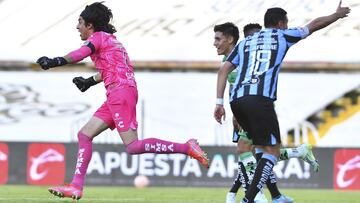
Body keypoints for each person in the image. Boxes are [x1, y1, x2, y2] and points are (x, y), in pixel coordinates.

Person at [36, 2, 209, 200]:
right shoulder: (112, 41)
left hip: (120, 93)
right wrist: (89, 81)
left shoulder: (97, 38)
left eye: (80, 22)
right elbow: (112, 69)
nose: (78, 27)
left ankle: (187, 147)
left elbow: (80, 54)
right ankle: (76, 186)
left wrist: (55, 61)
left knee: (133, 146)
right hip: (118, 92)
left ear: (90, 25)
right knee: (84, 135)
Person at [214, 2, 350, 203]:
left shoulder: (245, 42)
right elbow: (314, 25)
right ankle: (249, 199)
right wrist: (336, 15)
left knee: (255, 149)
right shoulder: (282, 35)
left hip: (236, 101)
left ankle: (267, 196)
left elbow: (223, 70)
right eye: (286, 23)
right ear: (280, 23)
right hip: (259, 100)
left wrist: (219, 103)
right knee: (272, 151)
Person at [214, 23, 319, 203]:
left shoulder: (242, 59)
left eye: (217, 39)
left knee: (246, 150)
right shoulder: (230, 61)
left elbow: (247, 88)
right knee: (259, 153)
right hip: (241, 112)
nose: (214, 43)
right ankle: (277, 190)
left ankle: (255, 196)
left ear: (230, 39)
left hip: (252, 111)